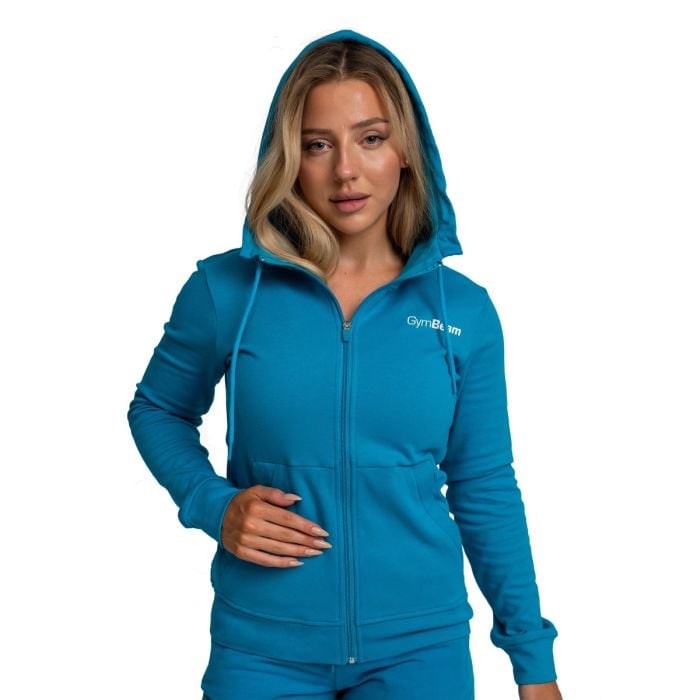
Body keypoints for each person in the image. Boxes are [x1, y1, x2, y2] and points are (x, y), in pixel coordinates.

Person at [127, 28, 563, 700]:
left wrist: (533, 661)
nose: (346, 172)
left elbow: (483, 485)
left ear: (407, 151)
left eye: (371, 138)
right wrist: (213, 504)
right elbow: (158, 409)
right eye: (317, 145)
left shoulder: (463, 311)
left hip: (420, 650)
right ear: (289, 158)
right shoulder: (226, 291)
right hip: (262, 650)